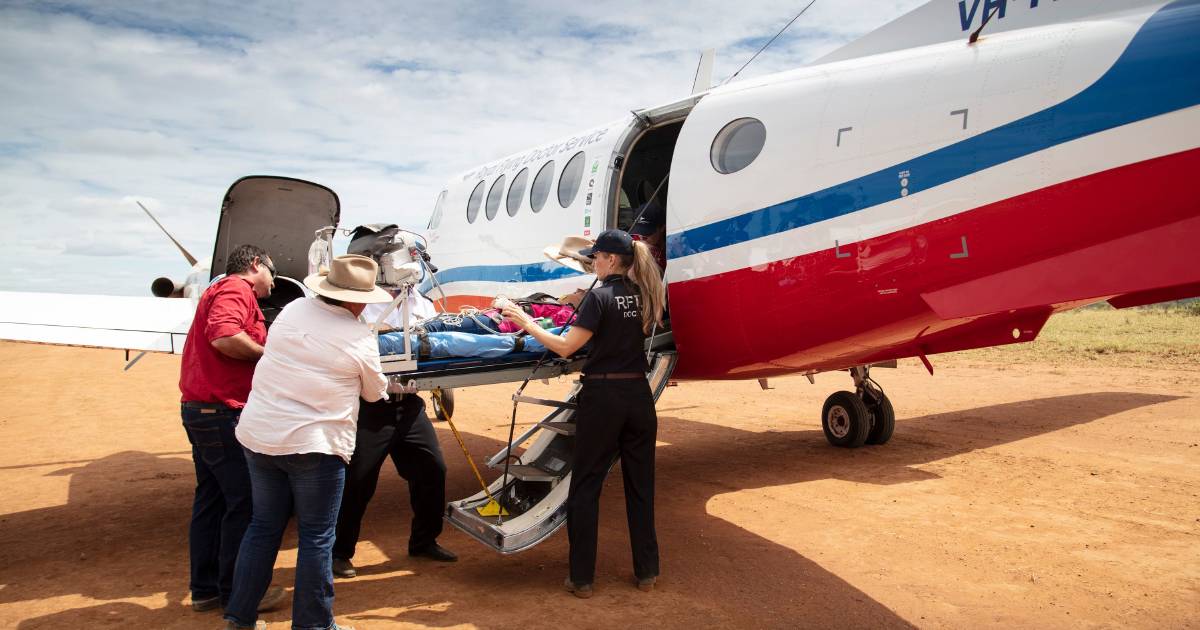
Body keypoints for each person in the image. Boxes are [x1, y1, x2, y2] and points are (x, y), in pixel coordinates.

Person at [222, 255, 393, 630]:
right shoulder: (359, 337)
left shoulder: (294, 309)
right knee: (316, 537)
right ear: (356, 299)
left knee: (263, 526)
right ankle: (313, 625)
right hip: (314, 445)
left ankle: (239, 616)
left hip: (260, 434)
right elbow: (373, 393)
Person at [501, 229, 666, 599]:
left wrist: (523, 321)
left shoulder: (599, 297)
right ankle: (647, 571)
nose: (592, 262)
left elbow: (566, 347)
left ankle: (582, 577)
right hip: (639, 395)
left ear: (609, 259)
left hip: (604, 396)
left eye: (595, 258)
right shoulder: (645, 294)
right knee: (641, 487)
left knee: (586, 485)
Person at [177, 243, 285, 615]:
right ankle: (237, 592)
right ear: (256, 264)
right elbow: (224, 337)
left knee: (211, 501)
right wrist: (271, 355)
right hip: (223, 414)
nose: (274, 280)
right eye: (272, 271)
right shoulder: (236, 289)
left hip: (201, 410)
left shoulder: (217, 289)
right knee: (246, 503)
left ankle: (204, 589)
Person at [332, 287, 459, 578]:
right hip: (372, 407)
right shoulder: (363, 305)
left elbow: (436, 339)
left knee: (432, 470)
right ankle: (338, 552)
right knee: (358, 480)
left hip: (409, 404)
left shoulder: (423, 303)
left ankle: (424, 541)